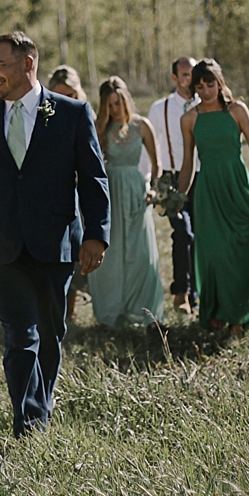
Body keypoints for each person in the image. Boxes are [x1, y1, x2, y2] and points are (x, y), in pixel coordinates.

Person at [0, 32, 110, 438]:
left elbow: (94, 178)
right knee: (19, 335)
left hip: (56, 241)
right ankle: (28, 422)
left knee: (51, 333)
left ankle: (39, 410)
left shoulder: (72, 113)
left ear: (29, 64)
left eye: (0, 65)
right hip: (1, 244)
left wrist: (96, 235)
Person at [179, 58, 249, 335]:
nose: (206, 91)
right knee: (214, 255)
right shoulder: (189, 118)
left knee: (240, 251)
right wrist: (177, 196)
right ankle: (217, 311)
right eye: (200, 86)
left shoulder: (237, 110)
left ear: (220, 82)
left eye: (210, 84)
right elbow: (188, 163)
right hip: (208, 192)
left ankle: (239, 316)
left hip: (237, 186)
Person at [88, 76, 166, 328]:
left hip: (135, 189)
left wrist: (153, 190)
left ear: (126, 100)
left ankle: (144, 311)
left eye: (118, 103)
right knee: (113, 254)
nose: (115, 109)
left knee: (140, 252)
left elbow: (157, 165)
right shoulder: (101, 127)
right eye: (109, 105)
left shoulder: (142, 125)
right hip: (110, 190)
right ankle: (111, 311)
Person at [146, 56, 198, 310]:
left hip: (202, 177)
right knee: (183, 232)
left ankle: (198, 292)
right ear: (175, 78)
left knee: (200, 235)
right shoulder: (160, 109)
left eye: (194, 74)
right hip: (172, 179)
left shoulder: (206, 104)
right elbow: (148, 149)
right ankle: (181, 292)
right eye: (185, 75)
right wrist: (150, 182)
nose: (190, 80)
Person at [46, 65, 93, 318]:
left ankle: (71, 307)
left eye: (71, 95)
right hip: (54, 194)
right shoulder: (42, 116)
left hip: (81, 195)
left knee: (79, 248)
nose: (65, 100)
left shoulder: (85, 115)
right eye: (59, 94)